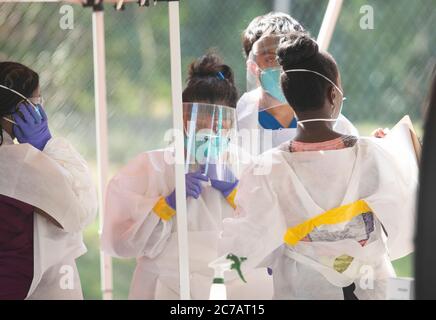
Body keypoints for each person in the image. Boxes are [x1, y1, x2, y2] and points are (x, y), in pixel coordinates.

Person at [217, 34, 418, 299]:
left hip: (303, 289)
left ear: (289, 96)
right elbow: (408, 216)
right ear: (333, 94)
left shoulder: (268, 169)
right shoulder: (370, 155)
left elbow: (244, 247)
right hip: (372, 290)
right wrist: (397, 151)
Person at [101, 53, 273, 300]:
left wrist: (235, 192)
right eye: (199, 118)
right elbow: (121, 241)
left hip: (230, 288)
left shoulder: (246, 165)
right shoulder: (153, 167)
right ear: (183, 118)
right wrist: (165, 205)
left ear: (232, 122)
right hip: (165, 287)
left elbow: (268, 234)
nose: (210, 128)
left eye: (220, 120)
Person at [0, 61, 97, 299]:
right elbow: (79, 212)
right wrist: (48, 146)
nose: (39, 110)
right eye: (36, 103)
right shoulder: (19, 163)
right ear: (18, 110)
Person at [237, 12, 358, 155]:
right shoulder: (236, 123)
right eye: (270, 59)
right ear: (253, 67)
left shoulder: (331, 122)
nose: (281, 68)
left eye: (289, 59)